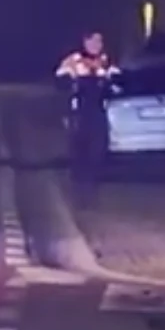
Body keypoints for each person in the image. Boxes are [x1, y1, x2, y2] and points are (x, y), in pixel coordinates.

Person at [55, 31, 117, 208]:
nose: (97, 44)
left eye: (100, 41)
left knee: (97, 153)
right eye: (94, 41)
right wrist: (72, 81)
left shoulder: (106, 61)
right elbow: (60, 82)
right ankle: (79, 195)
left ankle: (92, 193)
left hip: (98, 112)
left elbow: (117, 82)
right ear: (85, 42)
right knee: (79, 154)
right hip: (79, 114)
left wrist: (109, 83)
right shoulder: (74, 60)